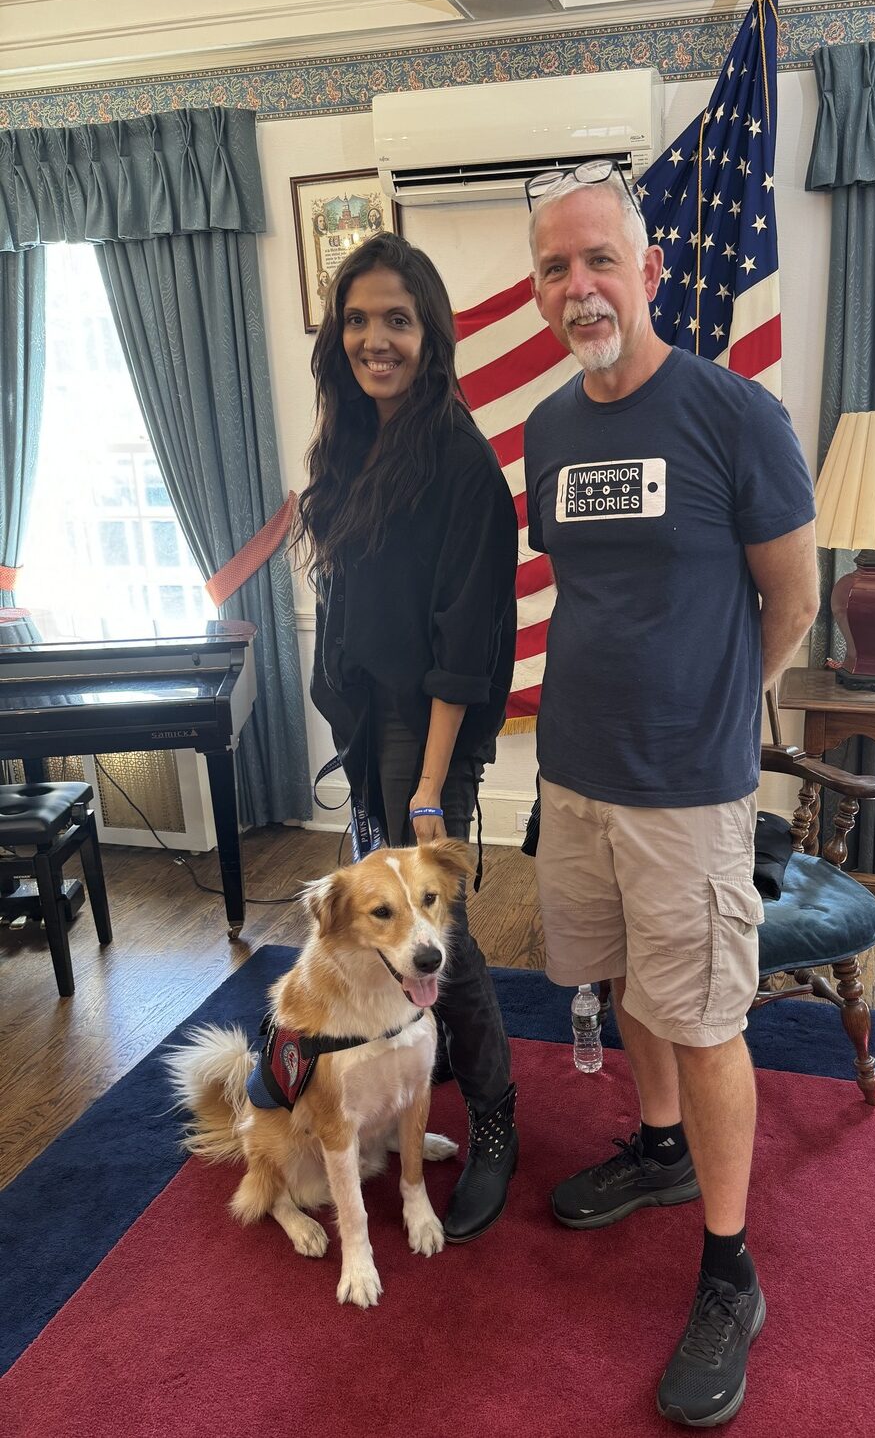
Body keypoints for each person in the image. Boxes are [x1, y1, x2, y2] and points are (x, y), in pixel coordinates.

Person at [522, 162, 819, 1427]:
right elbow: (588, 590)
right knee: (619, 981)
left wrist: (711, 709)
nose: (579, 286)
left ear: (650, 272)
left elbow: (792, 597)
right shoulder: (545, 430)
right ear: (540, 295)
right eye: (554, 269)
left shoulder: (734, 414)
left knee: (704, 1017)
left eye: (599, 260)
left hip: (688, 787)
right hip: (573, 772)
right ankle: (654, 1149)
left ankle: (729, 1264)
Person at [292, 232, 519, 1244]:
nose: (374, 339)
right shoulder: (351, 446)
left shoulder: (460, 464)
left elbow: (462, 651)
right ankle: (390, 1083)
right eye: (357, 320)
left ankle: (498, 1120)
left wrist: (428, 790)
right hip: (368, 719)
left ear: (431, 334)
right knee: (388, 938)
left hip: (423, 737)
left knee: (440, 950)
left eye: (396, 320)